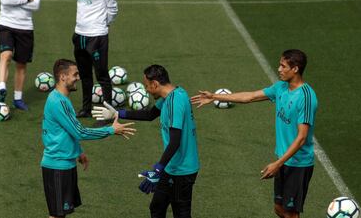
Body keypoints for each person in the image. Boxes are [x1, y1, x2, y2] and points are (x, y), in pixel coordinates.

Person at [191, 49, 317, 218]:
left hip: (298, 164)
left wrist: (277, 163)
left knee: (291, 213)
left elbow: (301, 138)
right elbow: (249, 97)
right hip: (283, 159)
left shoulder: (306, 97)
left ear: (295, 69)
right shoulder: (280, 87)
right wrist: (214, 96)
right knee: (279, 209)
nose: (279, 69)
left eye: (283, 66)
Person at [92, 64, 200, 218]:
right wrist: (117, 113)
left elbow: (175, 141)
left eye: (147, 86)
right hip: (172, 167)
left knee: (181, 213)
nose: (147, 90)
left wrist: (157, 169)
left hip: (182, 170)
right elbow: (150, 115)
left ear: (155, 84)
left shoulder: (174, 102)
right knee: (157, 207)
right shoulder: (173, 94)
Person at [41, 59, 136, 218]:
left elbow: (66, 131)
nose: (78, 77)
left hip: (65, 164)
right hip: (57, 167)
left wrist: (78, 152)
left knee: (61, 214)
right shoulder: (58, 102)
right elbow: (80, 132)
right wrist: (111, 130)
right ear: (63, 77)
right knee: (57, 215)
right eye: (75, 74)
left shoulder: (61, 99)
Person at [73, 0, 118, 119]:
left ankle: (108, 114)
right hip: (79, 33)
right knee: (84, 75)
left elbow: (113, 8)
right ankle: (86, 109)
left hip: (97, 35)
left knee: (102, 75)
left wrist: (102, 25)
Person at [0, 0, 40, 110]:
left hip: (25, 28)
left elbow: (36, 5)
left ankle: (18, 99)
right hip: (6, 24)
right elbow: (4, 1)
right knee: (6, 55)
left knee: (21, 64)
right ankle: (2, 87)